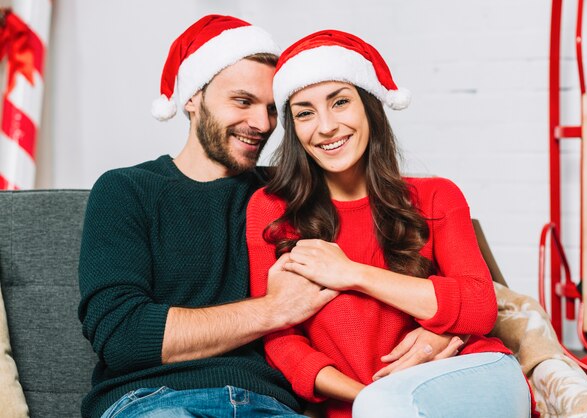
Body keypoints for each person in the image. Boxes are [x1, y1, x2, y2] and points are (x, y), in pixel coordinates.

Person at [77, 14, 460, 418]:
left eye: (272, 109)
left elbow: (418, 257)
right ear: (192, 97)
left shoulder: (291, 194)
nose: (262, 124)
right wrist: (273, 309)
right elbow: (121, 335)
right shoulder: (126, 190)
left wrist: (441, 331)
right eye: (242, 101)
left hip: (269, 404)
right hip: (153, 399)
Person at [246, 30, 536, 417]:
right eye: (305, 112)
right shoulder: (272, 210)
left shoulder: (436, 196)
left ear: (369, 107)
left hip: (468, 373)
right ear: (294, 129)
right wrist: (368, 396)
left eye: (341, 102)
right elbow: (281, 343)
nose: (327, 126)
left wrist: (351, 273)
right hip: (365, 404)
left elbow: (480, 307)